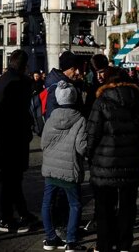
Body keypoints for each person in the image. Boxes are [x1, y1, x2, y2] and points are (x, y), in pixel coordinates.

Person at [87, 68, 139, 252]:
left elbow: (93, 133)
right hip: (130, 161)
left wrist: (90, 156)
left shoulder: (102, 102)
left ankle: (104, 245)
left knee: (105, 207)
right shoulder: (137, 101)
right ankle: (124, 245)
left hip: (105, 162)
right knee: (128, 207)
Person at [0, 49, 37, 233]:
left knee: (12, 179)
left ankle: (22, 212)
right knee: (11, 179)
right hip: (14, 138)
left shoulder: (1, 80)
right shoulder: (19, 84)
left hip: (3, 137)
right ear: (25, 65)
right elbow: (21, 112)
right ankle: (6, 217)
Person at [40, 82, 88, 251]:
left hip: (51, 168)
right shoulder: (80, 119)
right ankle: (71, 241)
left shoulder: (50, 117)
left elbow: (43, 142)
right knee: (74, 204)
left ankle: (51, 237)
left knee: (47, 203)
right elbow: (81, 147)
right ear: (74, 98)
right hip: (69, 168)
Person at [44, 51, 80, 119]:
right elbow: (52, 116)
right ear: (66, 69)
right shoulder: (58, 87)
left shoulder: (66, 82)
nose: (78, 72)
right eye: (73, 69)